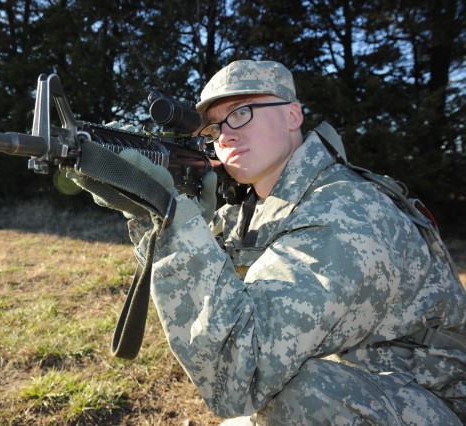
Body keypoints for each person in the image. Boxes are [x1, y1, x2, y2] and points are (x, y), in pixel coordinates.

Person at [73, 60, 466, 424]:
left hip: (429, 397)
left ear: (293, 115)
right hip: (361, 376)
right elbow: (218, 300)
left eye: (241, 112)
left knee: (294, 397)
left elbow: (241, 371)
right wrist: (165, 213)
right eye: (212, 129)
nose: (225, 134)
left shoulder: (345, 212)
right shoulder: (257, 205)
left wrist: (176, 219)